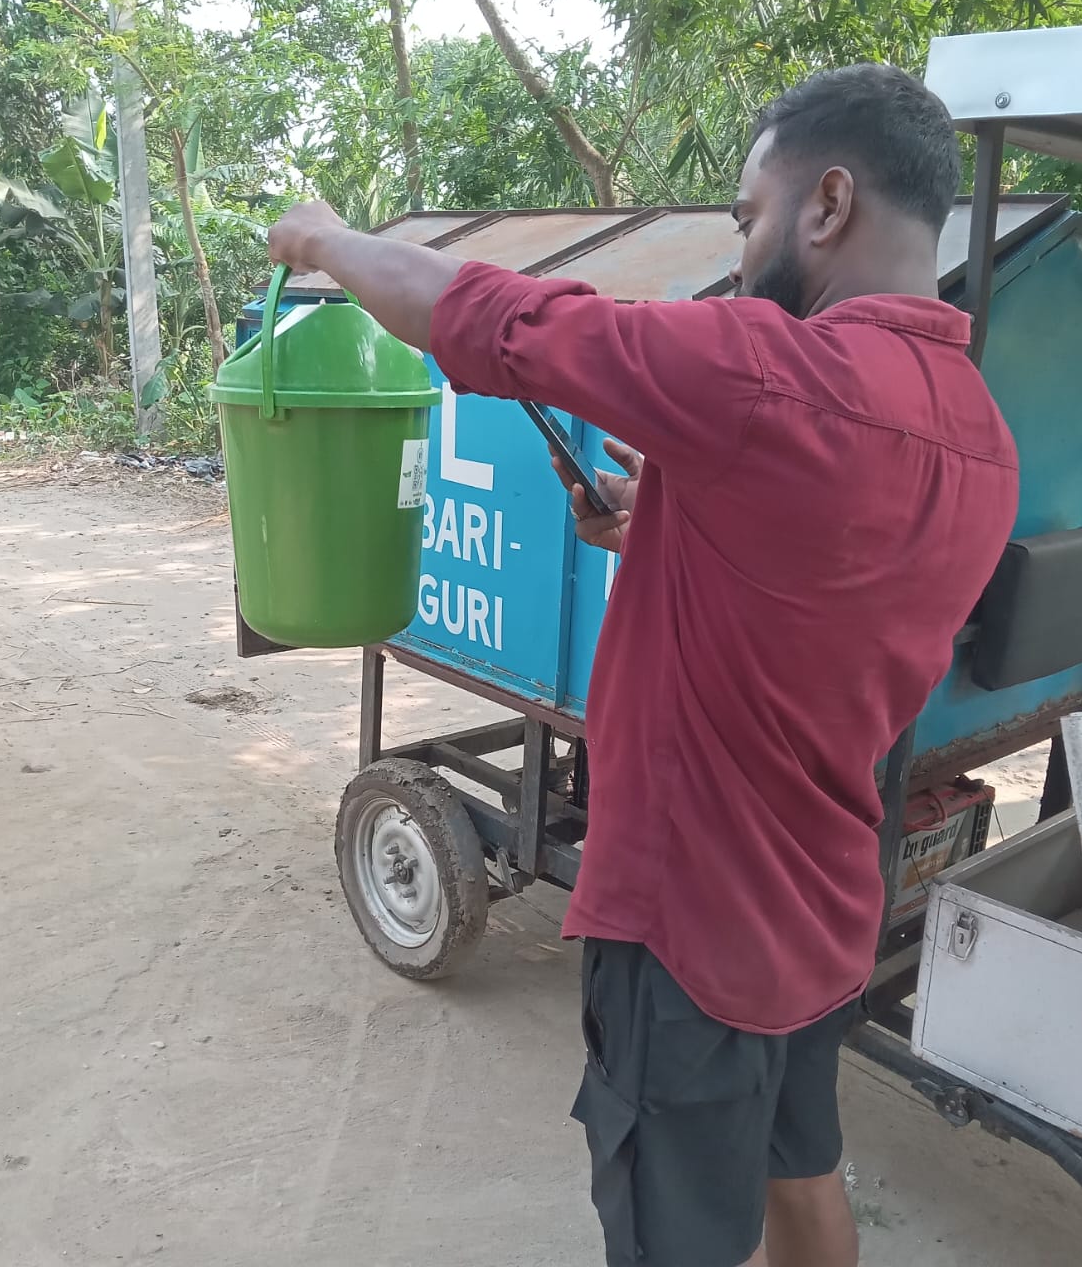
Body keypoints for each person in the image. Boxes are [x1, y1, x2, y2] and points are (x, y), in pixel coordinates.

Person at [268, 62, 1018, 1267]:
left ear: (827, 204)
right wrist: (662, 520)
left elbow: (496, 318)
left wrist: (327, 240)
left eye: (748, 216)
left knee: (675, 1238)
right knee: (800, 1172)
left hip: (691, 924)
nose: (744, 248)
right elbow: (826, 585)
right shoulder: (978, 431)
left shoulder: (770, 369)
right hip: (824, 899)